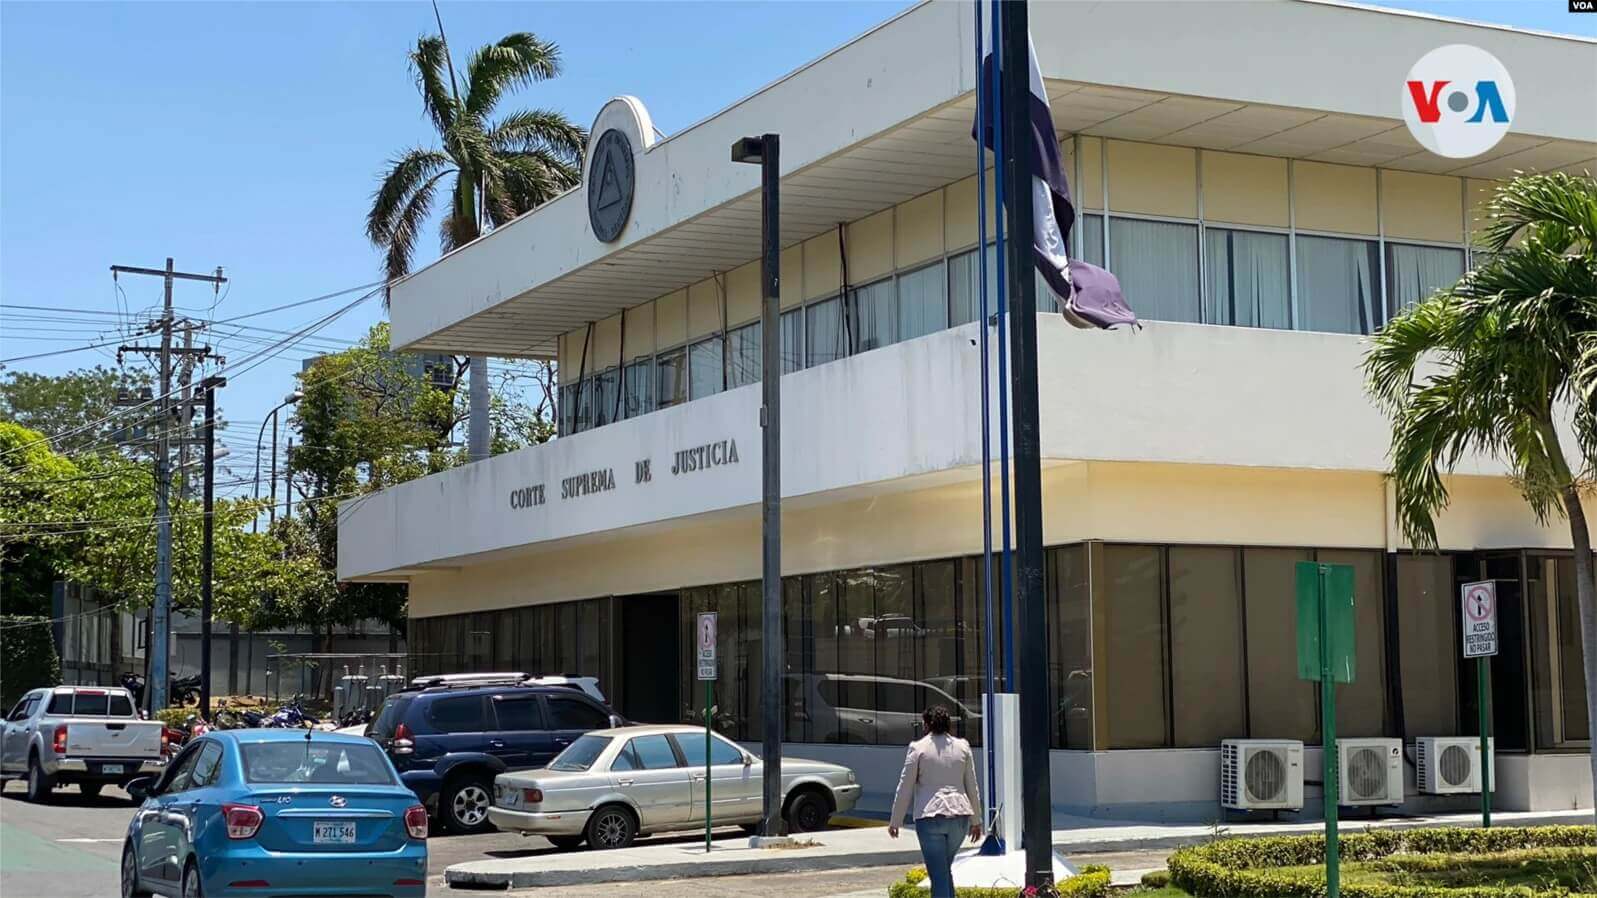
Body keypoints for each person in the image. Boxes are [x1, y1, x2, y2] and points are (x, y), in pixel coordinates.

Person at [887, 705, 982, 898]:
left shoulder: (918, 748)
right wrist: (976, 820)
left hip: (930, 816)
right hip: (960, 816)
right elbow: (972, 785)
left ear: (927, 724)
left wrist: (895, 820)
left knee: (938, 875)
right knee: (944, 871)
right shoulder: (963, 746)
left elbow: (904, 787)